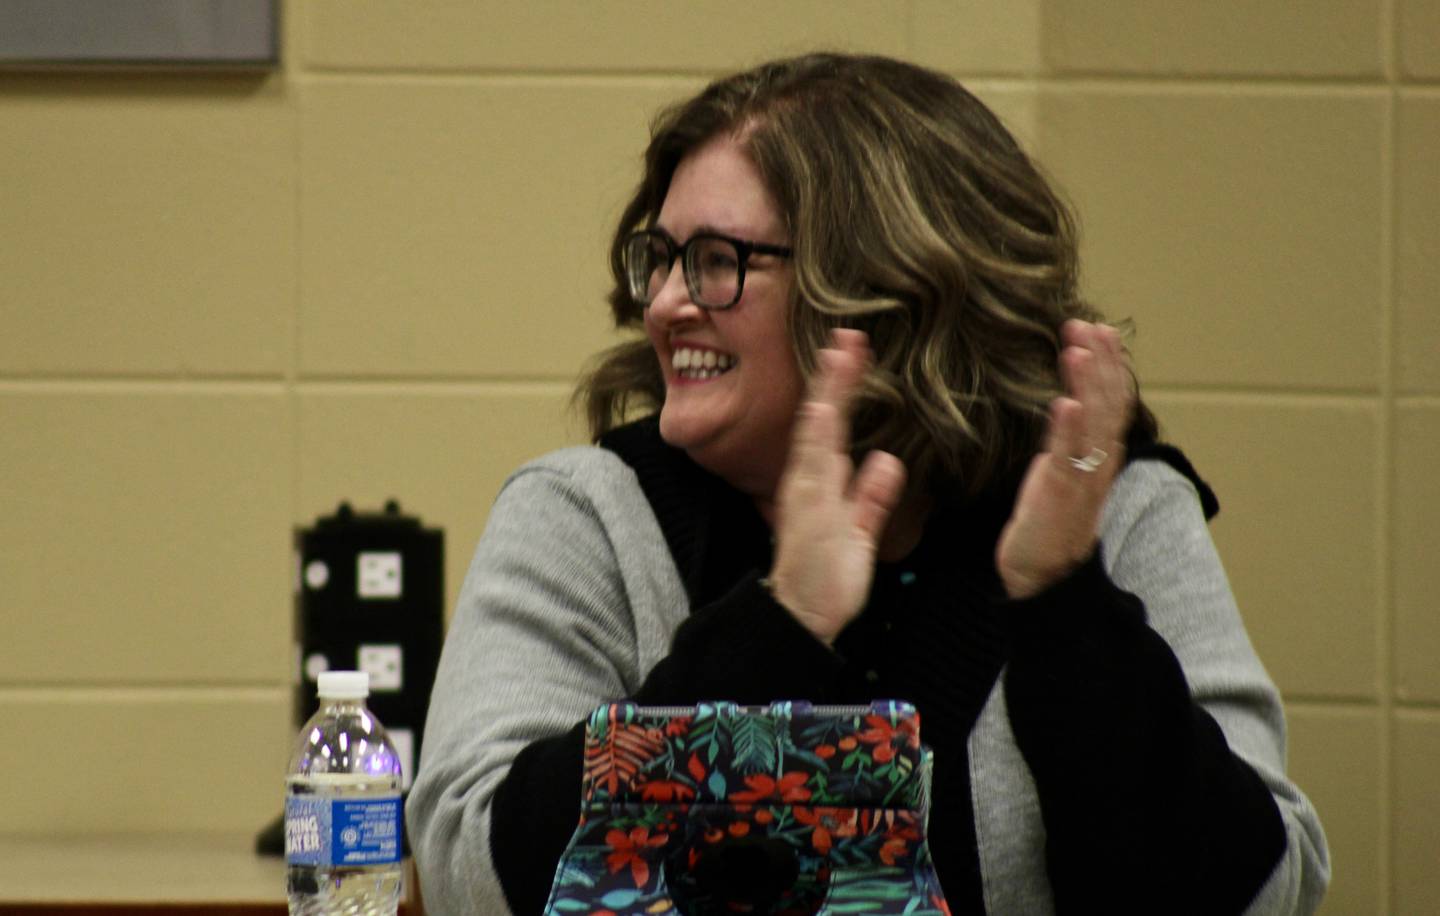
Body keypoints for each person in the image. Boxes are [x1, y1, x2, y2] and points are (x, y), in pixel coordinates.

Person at [407, 53, 1329, 914]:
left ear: (885, 290)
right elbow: (469, 878)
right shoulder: (590, 517)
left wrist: (1063, 608)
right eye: (662, 257)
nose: (662, 304)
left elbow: (1268, 890)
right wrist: (777, 629)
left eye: (718, 262)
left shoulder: (1105, 510)